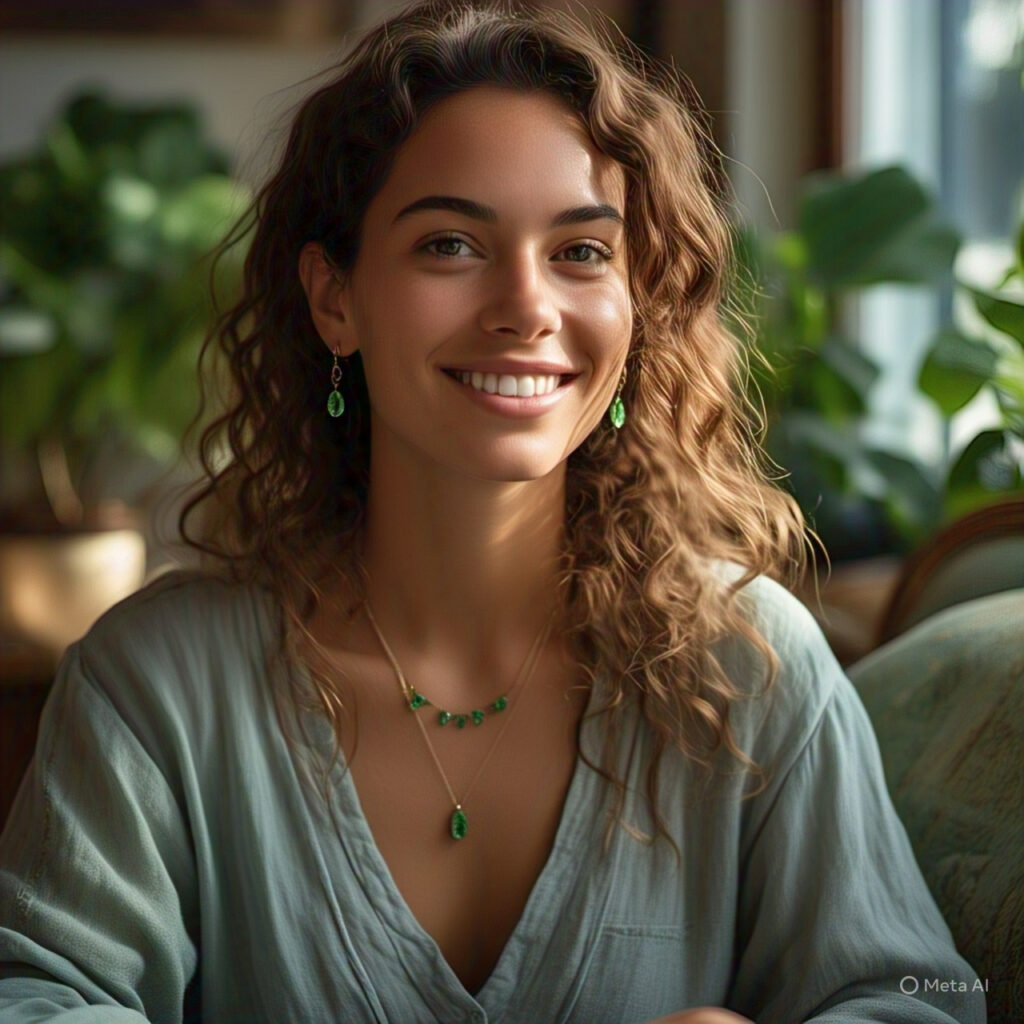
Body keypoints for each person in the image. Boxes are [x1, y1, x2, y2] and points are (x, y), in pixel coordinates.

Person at [0, 2, 986, 1022]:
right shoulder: (157, 687)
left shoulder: (749, 670)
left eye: (582, 252)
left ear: (637, 300)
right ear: (334, 297)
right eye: (450, 244)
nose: (525, 306)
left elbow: (917, 995)